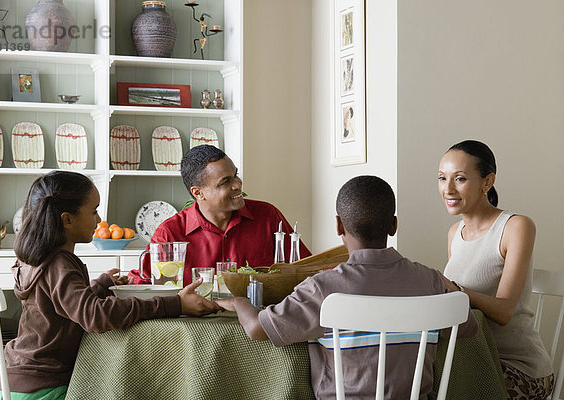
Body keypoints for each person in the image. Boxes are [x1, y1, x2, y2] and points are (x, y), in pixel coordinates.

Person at [216, 175, 478, 399]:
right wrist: (444, 281)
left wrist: (238, 301)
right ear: (394, 225)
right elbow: (468, 328)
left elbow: (257, 329)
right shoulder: (427, 281)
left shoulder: (323, 287)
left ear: (339, 225)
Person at [2, 171, 220, 399]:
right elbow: (96, 316)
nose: (98, 220)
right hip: (47, 386)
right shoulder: (60, 262)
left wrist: (101, 285)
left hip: (20, 378)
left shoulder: (36, 258)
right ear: (67, 219)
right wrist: (175, 304)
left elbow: (62, 306)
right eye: (94, 211)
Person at [437, 140, 553, 400]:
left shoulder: (516, 226)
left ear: (487, 182)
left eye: (460, 179)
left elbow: (503, 311)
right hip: (471, 360)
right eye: (443, 178)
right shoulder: (454, 234)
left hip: (519, 368)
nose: (448, 189)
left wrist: (455, 289)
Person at [136, 145, 311, 286]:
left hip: (261, 320)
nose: (237, 185)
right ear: (198, 193)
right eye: (226, 181)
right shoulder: (170, 233)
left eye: (235, 175)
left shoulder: (268, 216)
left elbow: (306, 269)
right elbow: (141, 283)